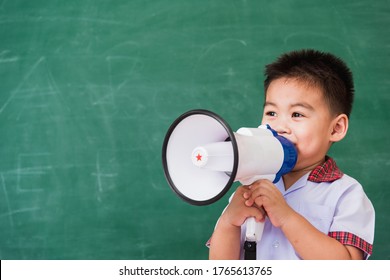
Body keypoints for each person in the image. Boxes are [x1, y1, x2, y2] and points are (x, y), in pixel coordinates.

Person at [208, 49, 375, 260]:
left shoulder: (346, 194)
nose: (280, 126)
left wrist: (286, 217)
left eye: (297, 114)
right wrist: (228, 223)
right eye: (271, 113)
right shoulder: (250, 186)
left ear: (336, 128)